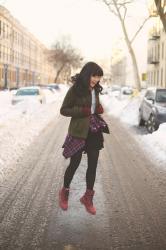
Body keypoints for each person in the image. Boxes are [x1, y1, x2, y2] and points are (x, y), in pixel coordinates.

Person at [59, 61, 109, 215]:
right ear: (87, 73)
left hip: (94, 130)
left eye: (99, 77)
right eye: (94, 76)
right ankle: (65, 191)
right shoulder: (75, 89)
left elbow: (93, 108)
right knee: (75, 163)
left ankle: (87, 198)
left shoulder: (95, 90)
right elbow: (64, 110)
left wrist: (97, 109)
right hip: (79, 131)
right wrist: (83, 110)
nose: (96, 80)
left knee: (93, 164)